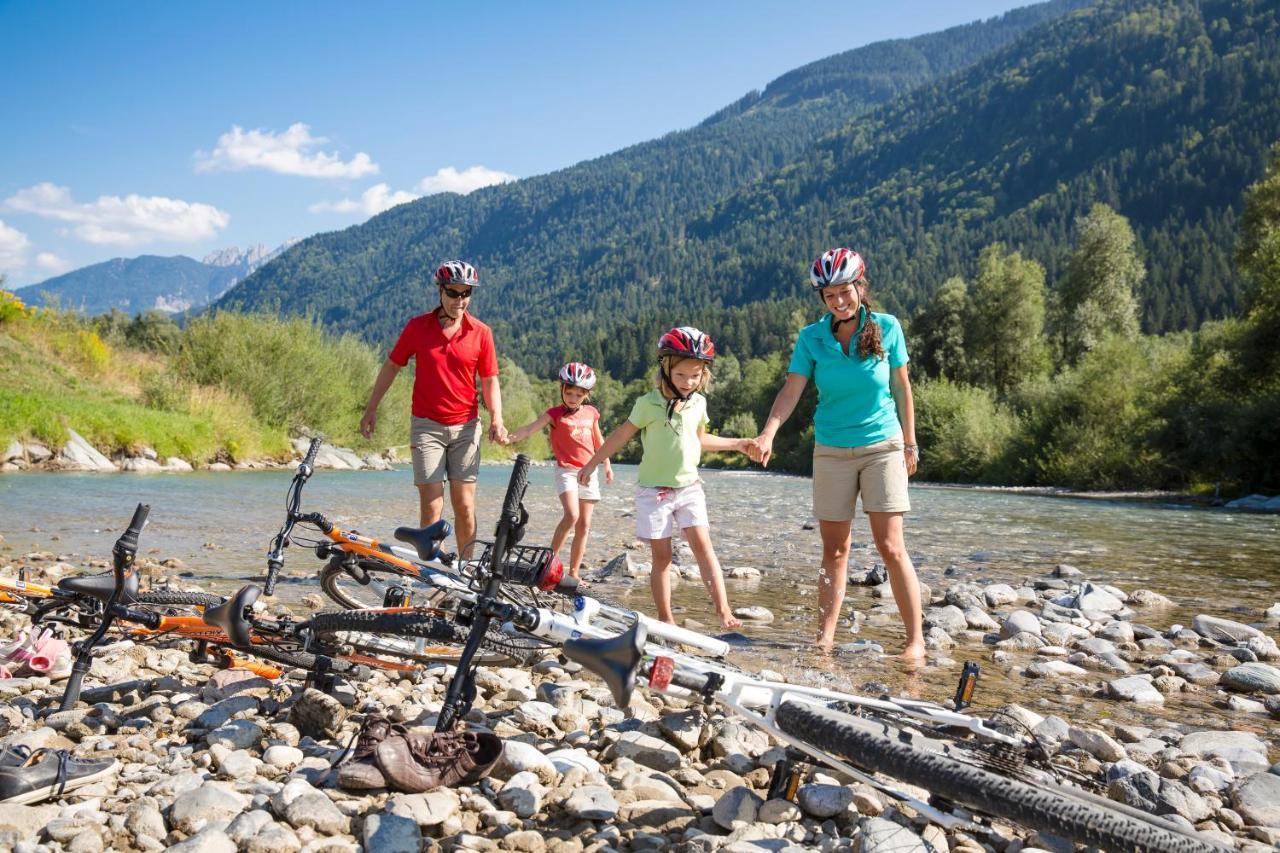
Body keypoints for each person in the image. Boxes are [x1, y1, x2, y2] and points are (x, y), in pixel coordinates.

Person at [751, 248, 924, 659]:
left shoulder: (887, 327)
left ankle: (915, 641)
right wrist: (768, 432)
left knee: (891, 545)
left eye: (845, 291)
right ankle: (824, 637)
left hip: (882, 445)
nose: (838, 301)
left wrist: (910, 442)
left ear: (860, 288)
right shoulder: (812, 337)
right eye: (829, 295)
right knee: (835, 549)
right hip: (830, 449)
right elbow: (791, 389)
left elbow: (902, 388)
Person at [578, 327, 751, 631]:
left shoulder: (699, 404)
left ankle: (724, 610)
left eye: (695, 376)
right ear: (666, 368)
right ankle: (666, 618)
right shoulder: (647, 404)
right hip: (653, 492)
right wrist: (593, 463)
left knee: (703, 546)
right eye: (682, 375)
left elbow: (701, 439)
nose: (688, 382)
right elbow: (620, 435)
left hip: (689, 488)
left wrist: (737, 443)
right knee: (663, 556)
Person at [360, 260, 506, 557]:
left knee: (464, 504)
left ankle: (465, 571)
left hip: (466, 427)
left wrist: (497, 419)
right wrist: (371, 407)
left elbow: (490, 380)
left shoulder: (481, 332)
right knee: (432, 504)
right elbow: (392, 366)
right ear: (440, 291)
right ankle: (432, 570)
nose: (460, 300)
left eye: (466, 293)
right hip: (426, 426)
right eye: (453, 293)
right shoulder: (417, 327)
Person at [504, 362, 612, 579]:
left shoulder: (591, 413)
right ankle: (548, 562)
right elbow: (530, 428)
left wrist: (607, 464)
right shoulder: (555, 414)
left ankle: (573, 573)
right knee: (572, 515)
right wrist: (509, 437)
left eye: (578, 394)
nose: (572, 397)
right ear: (562, 389)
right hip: (566, 472)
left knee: (584, 525)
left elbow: (598, 440)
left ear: (586, 395)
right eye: (569, 392)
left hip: (589, 471)